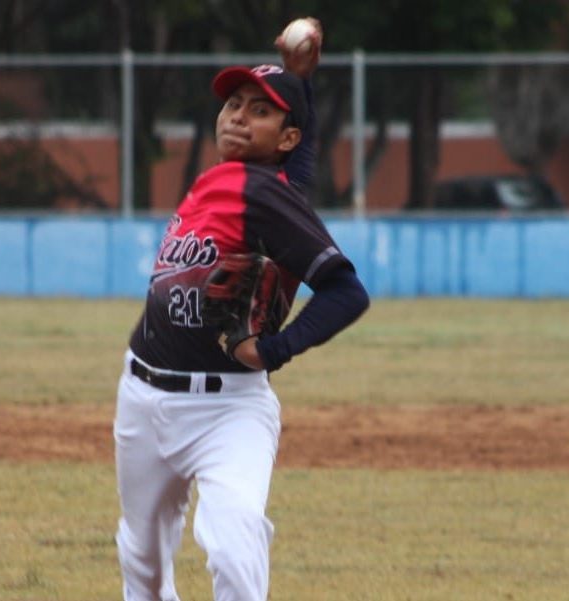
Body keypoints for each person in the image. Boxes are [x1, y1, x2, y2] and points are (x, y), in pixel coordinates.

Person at [113, 19, 369, 601]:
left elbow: (346, 291)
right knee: (143, 562)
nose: (237, 115)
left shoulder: (264, 195)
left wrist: (274, 349)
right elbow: (298, 162)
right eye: (233, 104)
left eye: (259, 110)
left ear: (284, 137)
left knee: (232, 545)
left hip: (229, 409)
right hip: (143, 396)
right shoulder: (230, 180)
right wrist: (299, 80)